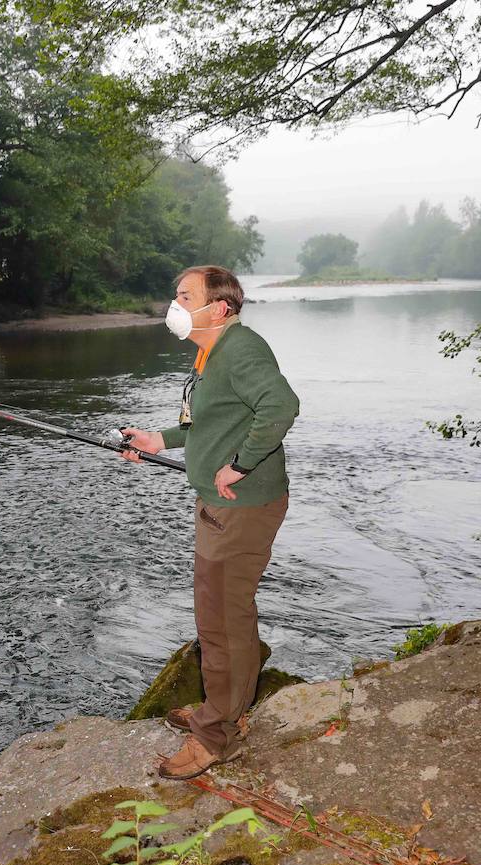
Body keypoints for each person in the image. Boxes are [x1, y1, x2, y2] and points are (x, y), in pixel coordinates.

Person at [121, 265, 300, 780]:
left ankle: (213, 738)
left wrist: (241, 464)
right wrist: (157, 440)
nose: (173, 305)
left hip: (239, 508)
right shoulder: (213, 352)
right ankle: (224, 710)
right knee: (224, 615)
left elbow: (281, 406)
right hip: (220, 507)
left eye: (184, 296)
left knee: (220, 620)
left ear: (218, 308)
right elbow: (212, 419)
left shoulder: (241, 348)